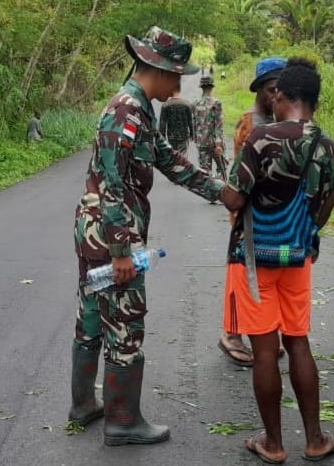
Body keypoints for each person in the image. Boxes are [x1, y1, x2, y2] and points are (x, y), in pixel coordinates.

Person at [69, 26, 226, 447]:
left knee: (91, 317)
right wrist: (122, 251)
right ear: (157, 67)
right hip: (110, 236)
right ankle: (122, 421)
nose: (179, 83)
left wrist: (220, 192)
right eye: (177, 75)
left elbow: (168, 160)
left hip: (97, 232)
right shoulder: (126, 111)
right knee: (125, 321)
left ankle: (84, 404)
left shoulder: (138, 109)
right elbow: (112, 181)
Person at [222, 58, 334, 463]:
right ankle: (314, 439)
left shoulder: (261, 139)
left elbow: (237, 198)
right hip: (297, 258)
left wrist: (205, 184)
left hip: (254, 259)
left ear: (280, 96)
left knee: (264, 352)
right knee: (298, 342)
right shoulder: (330, 149)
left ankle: (273, 443)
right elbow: (322, 216)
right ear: (315, 100)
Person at [218, 56, 286, 366]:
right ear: (258, 89)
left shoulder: (278, 119)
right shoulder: (252, 123)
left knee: (265, 273)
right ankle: (232, 333)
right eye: (271, 90)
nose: (277, 96)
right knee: (242, 271)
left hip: (274, 214)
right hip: (250, 211)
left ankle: (262, 332)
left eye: (282, 91)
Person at [192, 73, 225, 182]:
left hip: (201, 142)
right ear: (212, 87)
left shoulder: (195, 103)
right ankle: (221, 191)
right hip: (214, 142)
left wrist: (195, 138)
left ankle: (210, 192)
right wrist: (219, 144)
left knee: (205, 171)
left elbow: (194, 123)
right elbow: (219, 124)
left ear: (201, 87)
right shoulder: (216, 103)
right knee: (221, 168)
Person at [157, 86, 194, 153]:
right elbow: (190, 121)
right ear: (179, 90)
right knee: (183, 157)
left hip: (171, 136)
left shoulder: (166, 105)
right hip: (184, 136)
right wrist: (192, 133)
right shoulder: (186, 104)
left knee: (173, 155)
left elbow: (162, 123)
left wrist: (162, 138)